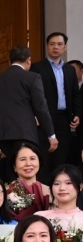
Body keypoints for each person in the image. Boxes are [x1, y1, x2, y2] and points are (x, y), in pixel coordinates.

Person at [0, 46, 57, 181]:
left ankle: (14, 198)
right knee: (27, 168)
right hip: (24, 132)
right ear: (29, 60)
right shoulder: (32, 78)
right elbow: (41, 108)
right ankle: (24, 199)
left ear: (9, 61)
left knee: (11, 166)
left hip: (0, 135)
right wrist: (51, 134)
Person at [30, 33, 81, 175]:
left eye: (59, 44)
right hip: (44, 119)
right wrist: (34, 115)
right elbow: (31, 95)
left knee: (61, 157)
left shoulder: (70, 70)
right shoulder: (37, 68)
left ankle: (58, 188)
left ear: (65, 47)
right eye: (52, 44)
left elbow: (75, 94)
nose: (55, 47)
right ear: (47, 47)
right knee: (44, 156)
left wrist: (77, 114)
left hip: (64, 119)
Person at [7, 143, 51, 221]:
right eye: (23, 159)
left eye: (32, 158)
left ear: (39, 163)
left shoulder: (49, 191)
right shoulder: (6, 192)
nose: (28, 164)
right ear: (14, 166)